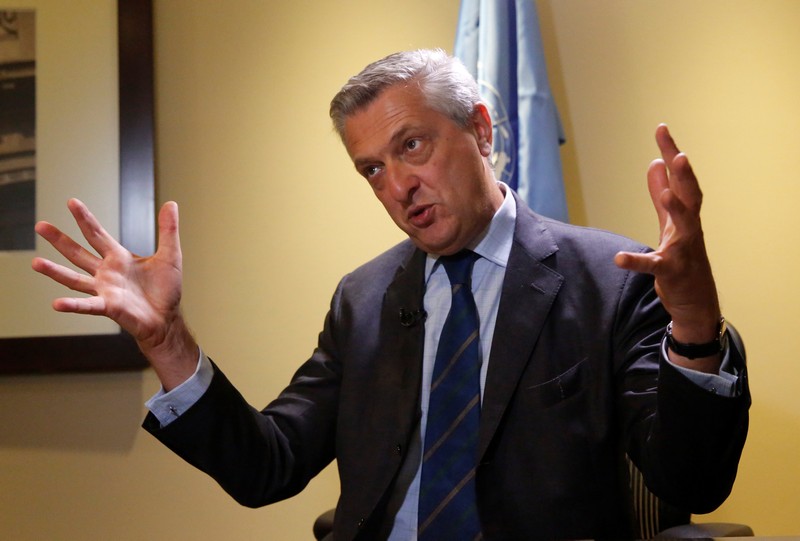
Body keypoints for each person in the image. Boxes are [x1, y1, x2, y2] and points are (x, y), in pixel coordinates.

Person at [32, 49, 749, 540]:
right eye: (372, 169)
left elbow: (693, 478)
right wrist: (167, 341)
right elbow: (267, 463)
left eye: (412, 146)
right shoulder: (366, 297)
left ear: (480, 129)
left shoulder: (611, 277)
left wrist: (692, 318)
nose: (398, 186)